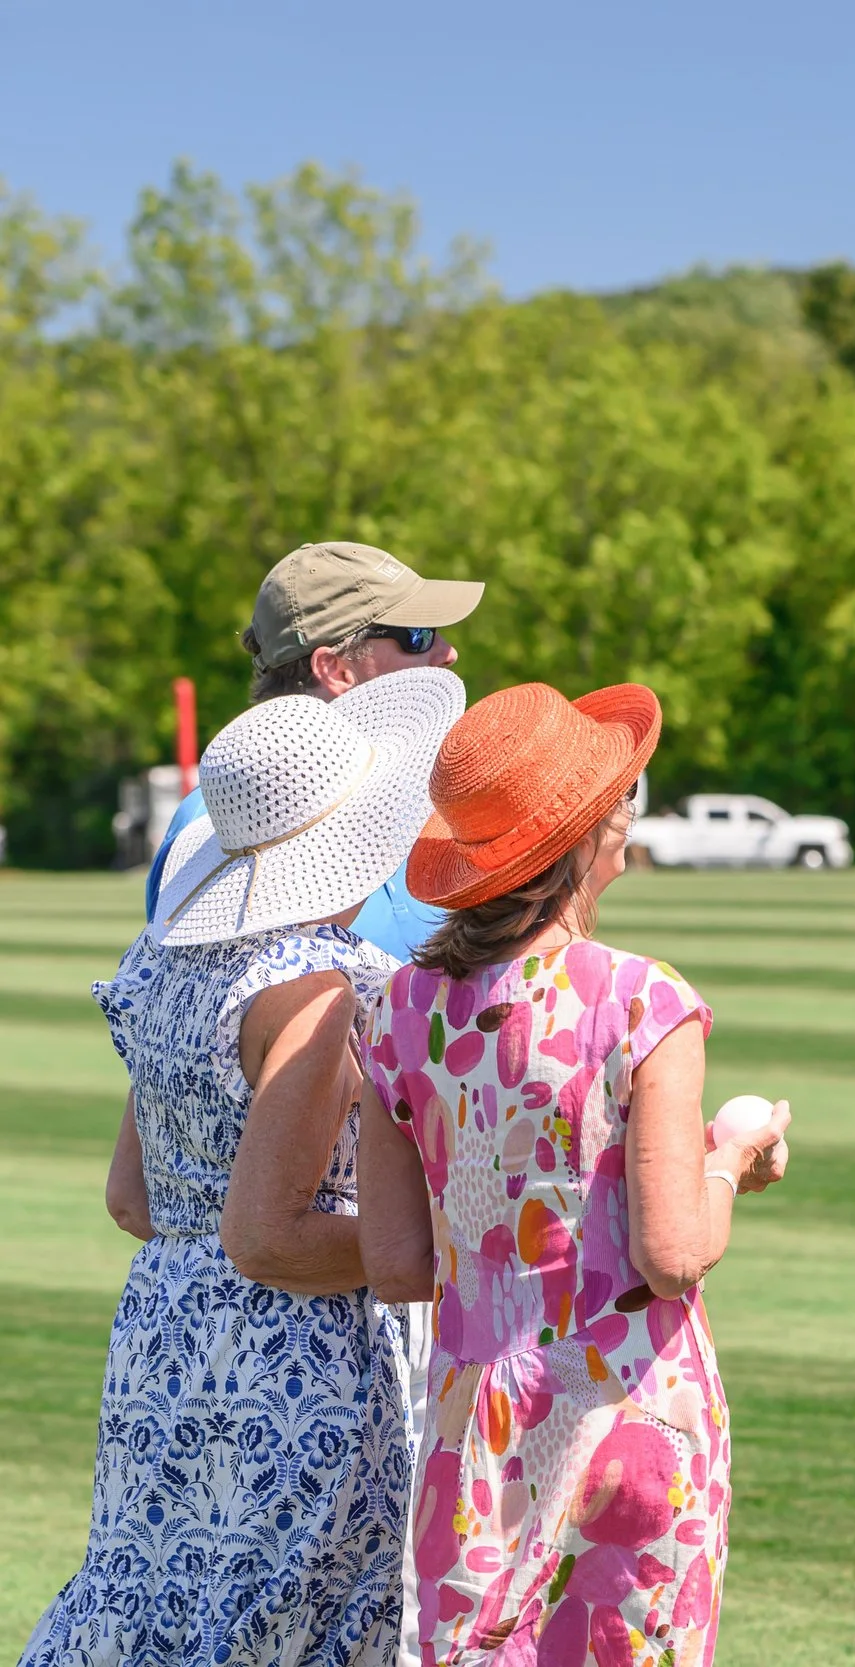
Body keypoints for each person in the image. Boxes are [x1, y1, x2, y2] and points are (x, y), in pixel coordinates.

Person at [22, 668, 467, 1666]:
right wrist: (437, 1244)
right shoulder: (312, 993)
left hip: (166, 1340)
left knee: (154, 1602)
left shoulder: (167, 960)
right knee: (296, 1616)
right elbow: (268, 1237)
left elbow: (131, 1198)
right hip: (299, 1360)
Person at [353, 681, 792, 1667]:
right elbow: (674, 1253)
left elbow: (393, 1263)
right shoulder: (640, 997)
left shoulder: (394, 1011)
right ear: (587, 837)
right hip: (628, 1418)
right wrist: (729, 1157)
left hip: (477, 1433)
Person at [146, 540, 481, 961]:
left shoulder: (442, 792)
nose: (448, 652)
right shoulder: (212, 824)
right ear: (336, 669)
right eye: (417, 636)